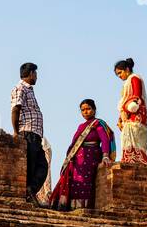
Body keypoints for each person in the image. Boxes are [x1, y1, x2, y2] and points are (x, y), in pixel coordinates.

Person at [49, 99, 114, 210]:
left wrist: (105, 155)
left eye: (88, 109)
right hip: (77, 159)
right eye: (83, 110)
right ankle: (70, 206)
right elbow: (74, 143)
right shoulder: (81, 126)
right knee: (74, 182)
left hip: (91, 157)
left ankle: (83, 207)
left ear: (94, 110)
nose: (85, 112)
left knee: (84, 182)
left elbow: (105, 140)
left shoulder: (97, 124)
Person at [11, 63, 49, 205]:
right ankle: (26, 195)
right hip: (27, 133)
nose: (37, 77)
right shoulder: (19, 88)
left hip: (35, 135)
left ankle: (30, 191)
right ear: (31, 73)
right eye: (36, 74)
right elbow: (15, 109)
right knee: (31, 167)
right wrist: (16, 132)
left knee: (42, 167)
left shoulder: (29, 90)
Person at [114, 57, 147, 164]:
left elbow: (137, 97)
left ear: (127, 69)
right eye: (117, 75)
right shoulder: (126, 83)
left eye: (120, 73)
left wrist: (127, 108)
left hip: (136, 115)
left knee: (137, 141)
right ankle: (131, 162)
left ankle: (138, 162)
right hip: (129, 117)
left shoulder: (135, 78)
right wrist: (121, 118)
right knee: (128, 141)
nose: (119, 76)